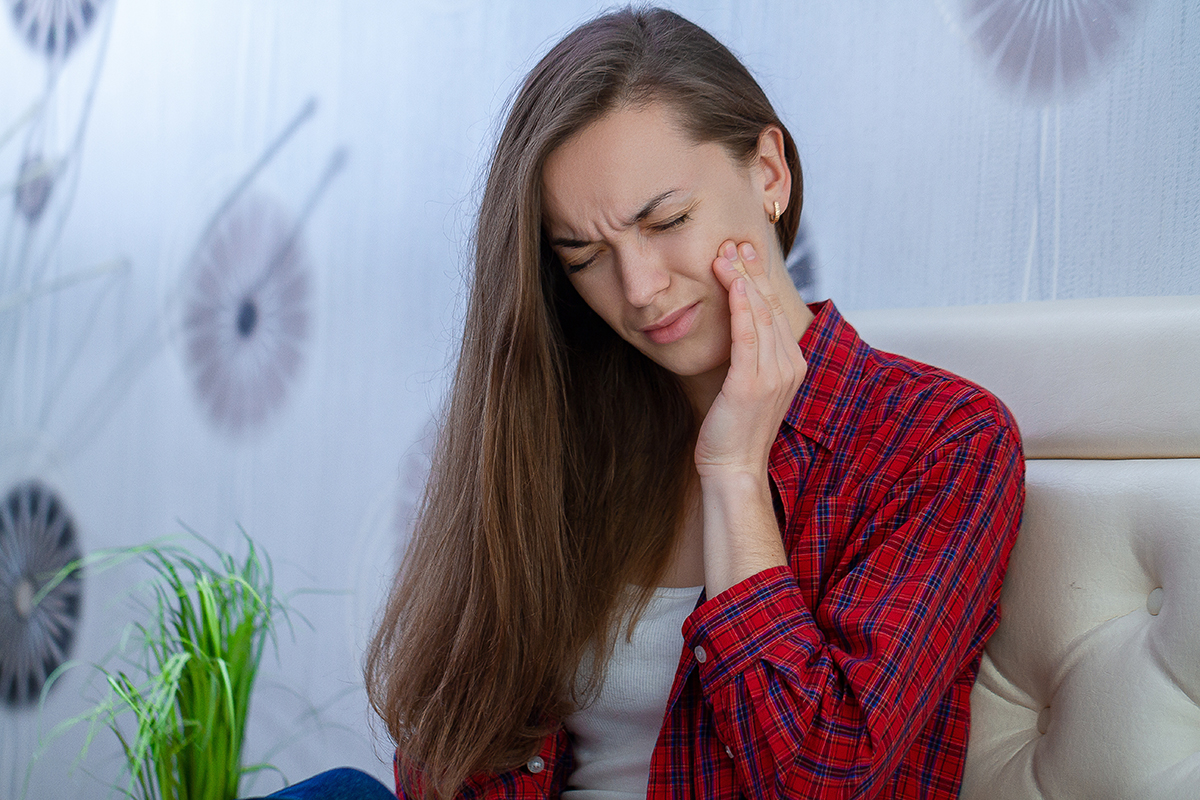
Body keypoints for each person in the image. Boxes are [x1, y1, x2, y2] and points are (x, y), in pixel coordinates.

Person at [364, 7, 1024, 800]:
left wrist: (736, 475)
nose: (639, 290)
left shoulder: (939, 441)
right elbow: (451, 755)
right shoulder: (574, 434)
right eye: (585, 255)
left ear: (769, 172)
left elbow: (820, 778)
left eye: (668, 220)